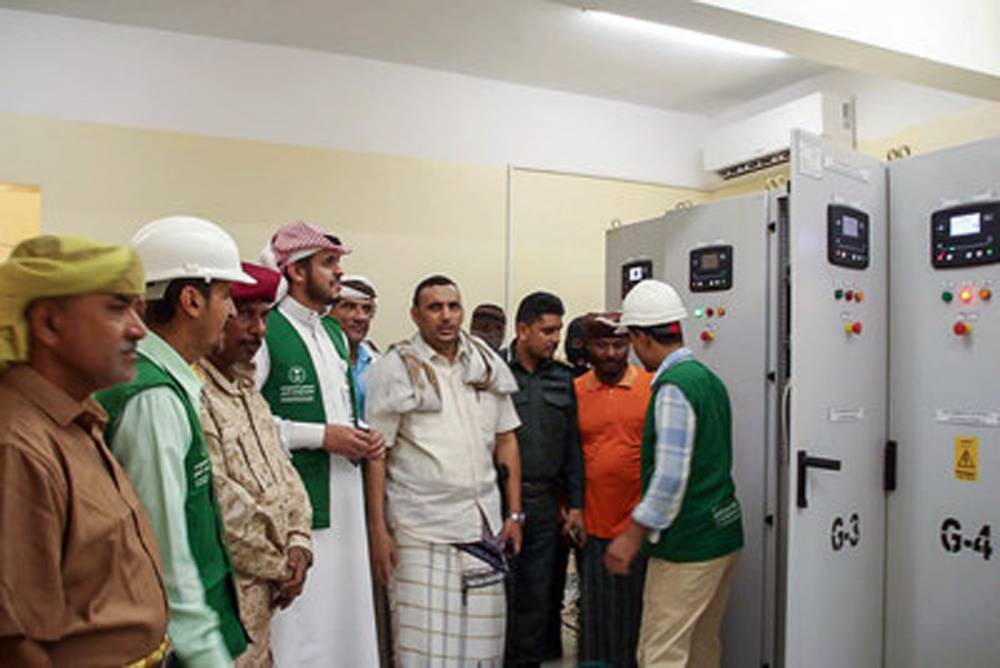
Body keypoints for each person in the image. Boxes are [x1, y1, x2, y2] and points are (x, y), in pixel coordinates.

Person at [0, 235, 169, 666]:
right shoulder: (19, 445)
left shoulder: (77, 422)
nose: (139, 330)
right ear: (49, 324)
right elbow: (15, 643)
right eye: (117, 308)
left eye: (138, 309)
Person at [96, 216, 256, 665]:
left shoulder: (167, 381)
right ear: (190, 299)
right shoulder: (153, 399)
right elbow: (162, 549)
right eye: (225, 296)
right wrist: (207, 654)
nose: (229, 312)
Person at [365, 275, 524, 667]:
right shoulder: (396, 367)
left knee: (483, 651)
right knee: (425, 652)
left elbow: (507, 441)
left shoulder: (485, 364)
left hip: (480, 524)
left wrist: (515, 513)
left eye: (453, 307)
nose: (446, 316)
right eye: (435, 307)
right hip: (420, 529)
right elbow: (376, 454)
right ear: (416, 315)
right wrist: (378, 531)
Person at [255, 221, 381, 667]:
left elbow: (338, 407)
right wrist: (322, 437)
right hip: (298, 510)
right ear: (296, 271)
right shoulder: (265, 332)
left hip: (346, 499)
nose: (338, 274)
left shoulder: (331, 333)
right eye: (328, 264)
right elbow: (247, 425)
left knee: (346, 617)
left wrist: (360, 431)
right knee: (303, 625)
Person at [605, 280, 743, 668]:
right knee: (701, 648)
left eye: (630, 340)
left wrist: (631, 536)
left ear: (642, 337)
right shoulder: (706, 378)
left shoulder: (672, 388)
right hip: (723, 535)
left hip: (688, 546)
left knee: (660, 654)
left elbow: (669, 479)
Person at [196, 262, 314, 667]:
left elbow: (285, 473)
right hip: (225, 605)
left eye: (264, 316)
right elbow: (218, 503)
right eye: (246, 315)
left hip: (265, 604)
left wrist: (300, 541)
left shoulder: (247, 388)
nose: (259, 330)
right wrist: (280, 564)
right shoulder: (195, 392)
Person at [504, 291, 584, 666]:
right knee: (499, 593)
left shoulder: (564, 380)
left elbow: (573, 451)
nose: (555, 338)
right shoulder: (495, 373)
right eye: (547, 330)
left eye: (558, 330)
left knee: (538, 597)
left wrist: (576, 505)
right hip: (499, 499)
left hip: (544, 502)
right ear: (522, 330)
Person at [574, 313, 652, 668]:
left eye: (618, 345)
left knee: (634, 617)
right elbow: (568, 456)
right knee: (595, 619)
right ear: (588, 347)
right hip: (592, 526)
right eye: (601, 345)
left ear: (630, 345)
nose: (610, 353)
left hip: (639, 526)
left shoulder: (651, 388)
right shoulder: (575, 391)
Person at [329, 274, 380, 416]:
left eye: (367, 309)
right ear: (327, 312)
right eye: (349, 307)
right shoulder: (318, 356)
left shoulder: (377, 362)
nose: (361, 317)